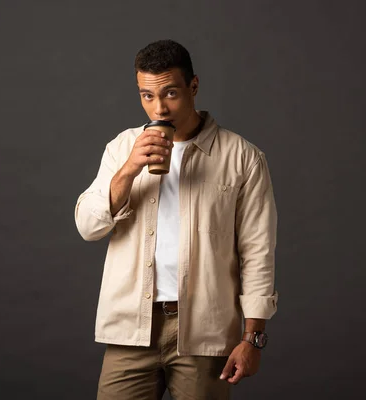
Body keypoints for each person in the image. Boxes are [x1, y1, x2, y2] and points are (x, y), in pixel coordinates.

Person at [74, 39, 278, 400]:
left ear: (193, 87)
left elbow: (257, 252)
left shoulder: (242, 157)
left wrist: (253, 339)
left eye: (170, 93)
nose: (159, 107)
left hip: (205, 329)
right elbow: (89, 227)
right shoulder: (122, 148)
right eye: (147, 96)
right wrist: (129, 170)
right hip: (131, 328)